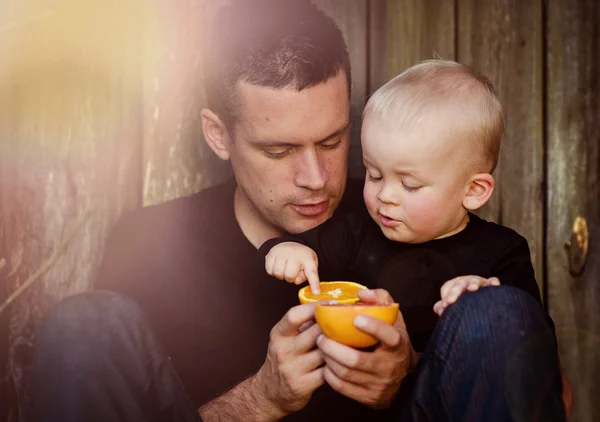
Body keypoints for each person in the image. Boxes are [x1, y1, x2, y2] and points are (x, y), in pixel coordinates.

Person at [30, 2, 570, 422]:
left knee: (496, 312)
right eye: (279, 150)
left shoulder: (396, 218)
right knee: (84, 325)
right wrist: (262, 399)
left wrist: (406, 373)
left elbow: (550, 397)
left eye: (333, 141)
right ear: (219, 134)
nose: (317, 179)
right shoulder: (150, 247)